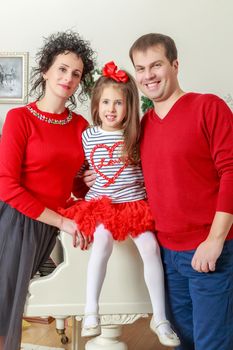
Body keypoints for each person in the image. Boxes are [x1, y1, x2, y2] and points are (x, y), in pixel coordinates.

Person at [60, 61, 180, 347]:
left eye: (118, 103)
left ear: (129, 107)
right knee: (100, 242)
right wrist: (83, 177)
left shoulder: (136, 136)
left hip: (133, 206)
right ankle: (91, 310)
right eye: (105, 102)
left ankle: (160, 318)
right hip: (101, 205)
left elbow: (153, 168)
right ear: (96, 105)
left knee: (150, 247)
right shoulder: (87, 136)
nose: (111, 109)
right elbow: (77, 169)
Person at [128, 33, 233, 350]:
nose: (148, 75)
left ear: (174, 65)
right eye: (141, 68)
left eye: (156, 65)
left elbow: (231, 171)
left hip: (208, 251)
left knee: (212, 343)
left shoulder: (207, 107)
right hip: (165, 257)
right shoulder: (143, 125)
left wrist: (214, 241)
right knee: (183, 342)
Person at [0, 30, 95, 350]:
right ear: (46, 70)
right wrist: (63, 221)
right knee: (5, 311)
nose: (68, 78)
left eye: (76, 73)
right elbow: (6, 184)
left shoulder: (81, 126)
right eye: (62, 69)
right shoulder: (19, 119)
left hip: (52, 226)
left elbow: (73, 184)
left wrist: (88, 183)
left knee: (32, 302)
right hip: (15, 223)